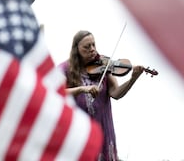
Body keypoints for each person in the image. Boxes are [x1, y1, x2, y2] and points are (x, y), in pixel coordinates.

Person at [60, 30, 145, 161]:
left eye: (93, 45)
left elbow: (115, 93)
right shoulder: (66, 68)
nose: (92, 49)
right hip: (79, 131)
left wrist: (133, 79)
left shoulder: (104, 64)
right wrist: (82, 89)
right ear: (76, 49)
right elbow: (54, 91)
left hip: (103, 130)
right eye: (87, 47)